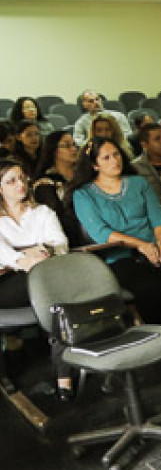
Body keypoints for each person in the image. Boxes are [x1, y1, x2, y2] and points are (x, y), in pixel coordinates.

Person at [70, 137, 161, 354]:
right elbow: (101, 233)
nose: (114, 160)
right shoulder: (83, 194)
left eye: (116, 154)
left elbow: (158, 219)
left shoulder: (138, 183)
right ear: (94, 165)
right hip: (118, 254)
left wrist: (159, 244)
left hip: (155, 244)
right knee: (149, 287)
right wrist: (141, 245)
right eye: (106, 157)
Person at [0, 159, 71, 398]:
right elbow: (5, 254)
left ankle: (64, 374)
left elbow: (60, 245)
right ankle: (65, 372)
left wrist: (40, 253)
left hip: (45, 279)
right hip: (7, 286)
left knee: (55, 301)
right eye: (11, 181)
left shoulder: (42, 212)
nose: (20, 184)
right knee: (55, 293)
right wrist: (25, 256)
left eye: (22, 178)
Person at [32, 131, 82, 244]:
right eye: (67, 145)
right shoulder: (45, 183)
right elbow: (57, 216)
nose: (73, 149)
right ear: (54, 150)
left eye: (74, 145)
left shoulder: (83, 175)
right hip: (71, 233)